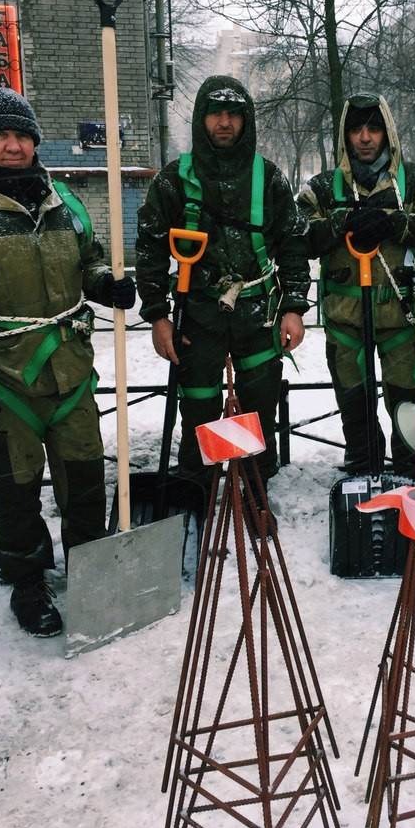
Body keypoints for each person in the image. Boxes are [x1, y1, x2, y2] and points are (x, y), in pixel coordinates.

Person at [0, 88, 136, 636]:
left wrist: (106, 283)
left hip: (71, 373)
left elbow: (88, 260)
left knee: (84, 478)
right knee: (14, 490)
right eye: (1, 135)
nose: (14, 146)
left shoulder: (64, 201)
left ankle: (88, 570)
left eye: (22, 135)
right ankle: (29, 581)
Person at [135, 75, 309, 506]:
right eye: (216, 113)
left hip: (258, 313)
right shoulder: (173, 181)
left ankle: (255, 486)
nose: (225, 122)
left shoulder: (269, 178)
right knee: (197, 403)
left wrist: (294, 307)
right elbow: (151, 250)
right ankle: (198, 487)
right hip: (197, 316)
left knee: (260, 403)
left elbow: (292, 244)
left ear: (246, 120)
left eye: (234, 114)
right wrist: (158, 315)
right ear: (201, 119)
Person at [297, 92, 415, 480]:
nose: (365, 138)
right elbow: (296, 233)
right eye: (356, 129)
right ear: (344, 136)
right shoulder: (322, 187)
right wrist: (341, 225)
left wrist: (394, 224)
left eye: (373, 128)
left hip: (402, 322)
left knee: (407, 406)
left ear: (387, 133)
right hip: (345, 323)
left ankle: (411, 476)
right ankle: (362, 473)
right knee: (355, 406)